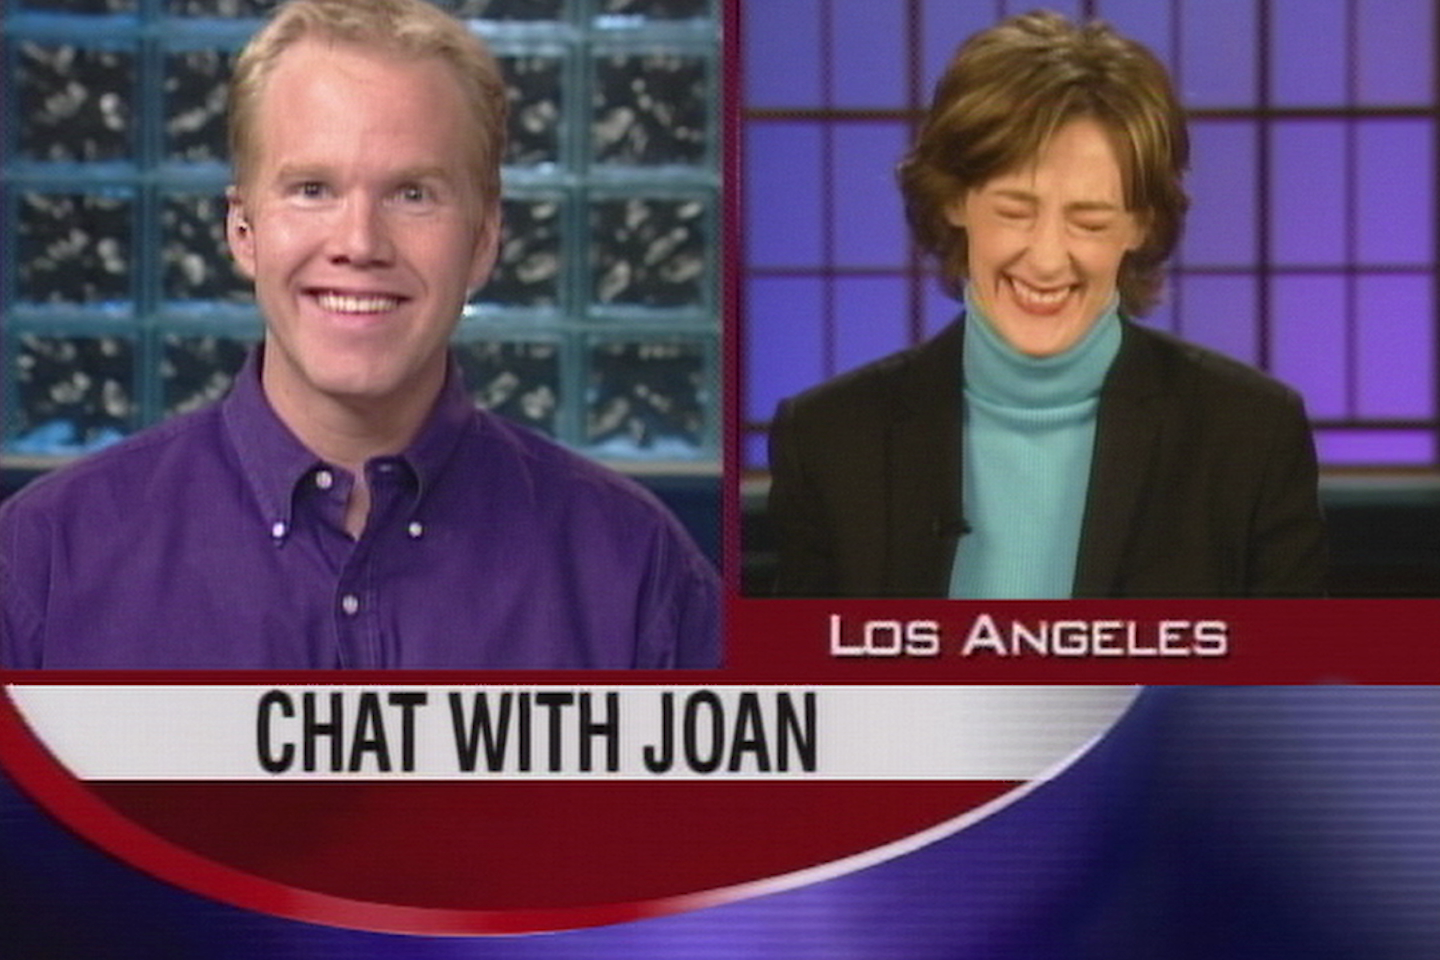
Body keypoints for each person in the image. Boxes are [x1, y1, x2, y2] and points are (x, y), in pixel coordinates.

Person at [0, 0, 720, 668]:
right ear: (243, 230)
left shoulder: (638, 572)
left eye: (412, 194)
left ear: (483, 240)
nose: (359, 243)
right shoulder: (44, 563)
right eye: (312, 189)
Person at [767, 11, 1326, 598]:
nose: (1047, 259)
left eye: (1089, 221)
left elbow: (1291, 660)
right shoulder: (830, 439)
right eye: (1014, 211)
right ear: (954, 202)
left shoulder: (1250, 437)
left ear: (1140, 226)